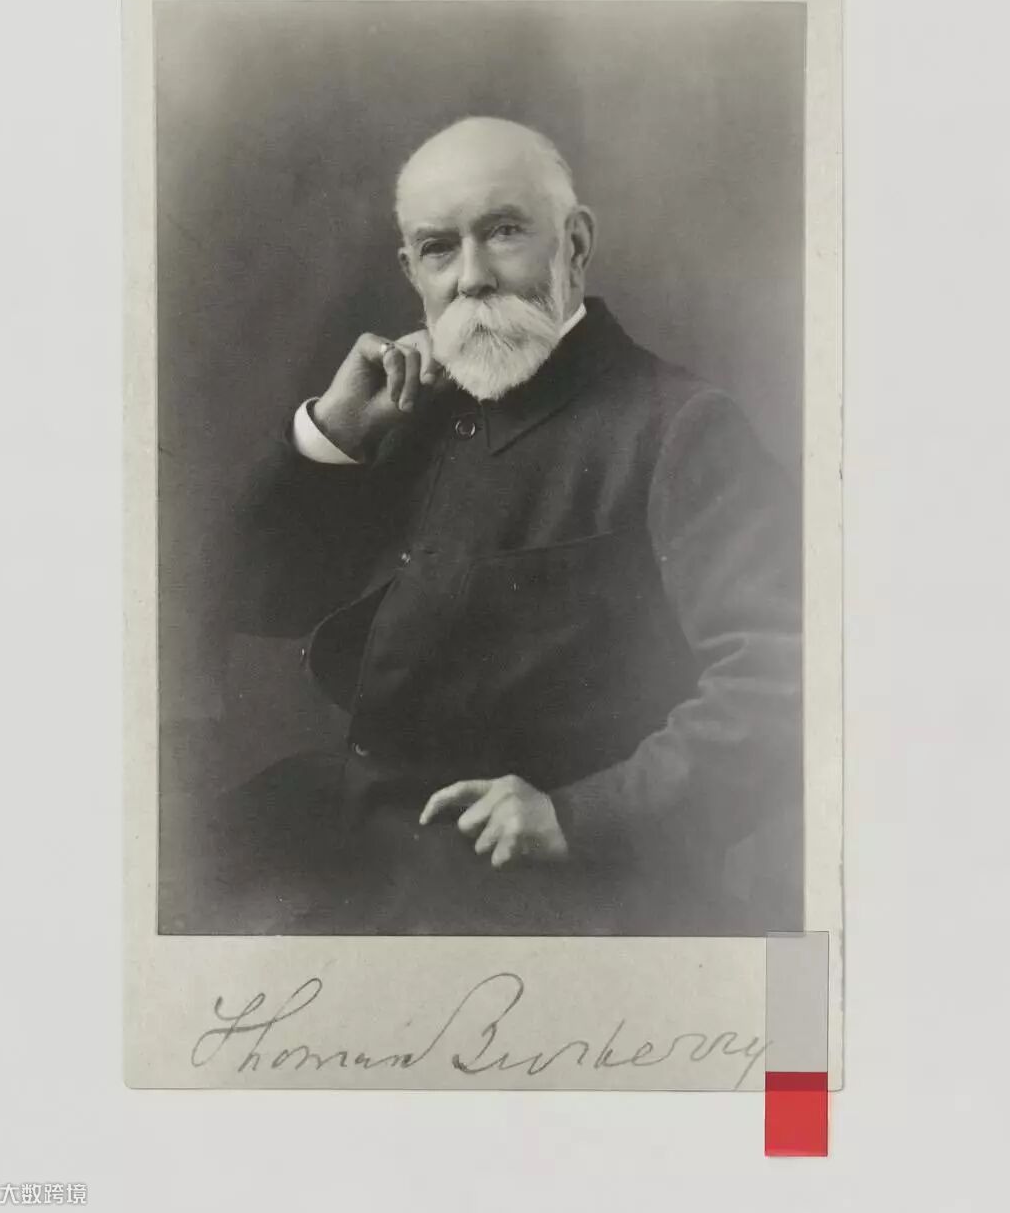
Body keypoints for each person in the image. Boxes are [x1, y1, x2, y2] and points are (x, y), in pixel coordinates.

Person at [195, 116, 802, 936]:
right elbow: (256, 601)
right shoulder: (404, 408)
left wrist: (580, 816)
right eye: (439, 248)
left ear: (575, 245)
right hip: (365, 851)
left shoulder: (681, 427)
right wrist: (332, 434)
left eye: (505, 232)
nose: (473, 278)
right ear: (411, 271)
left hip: (559, 892)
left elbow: (784, 682)